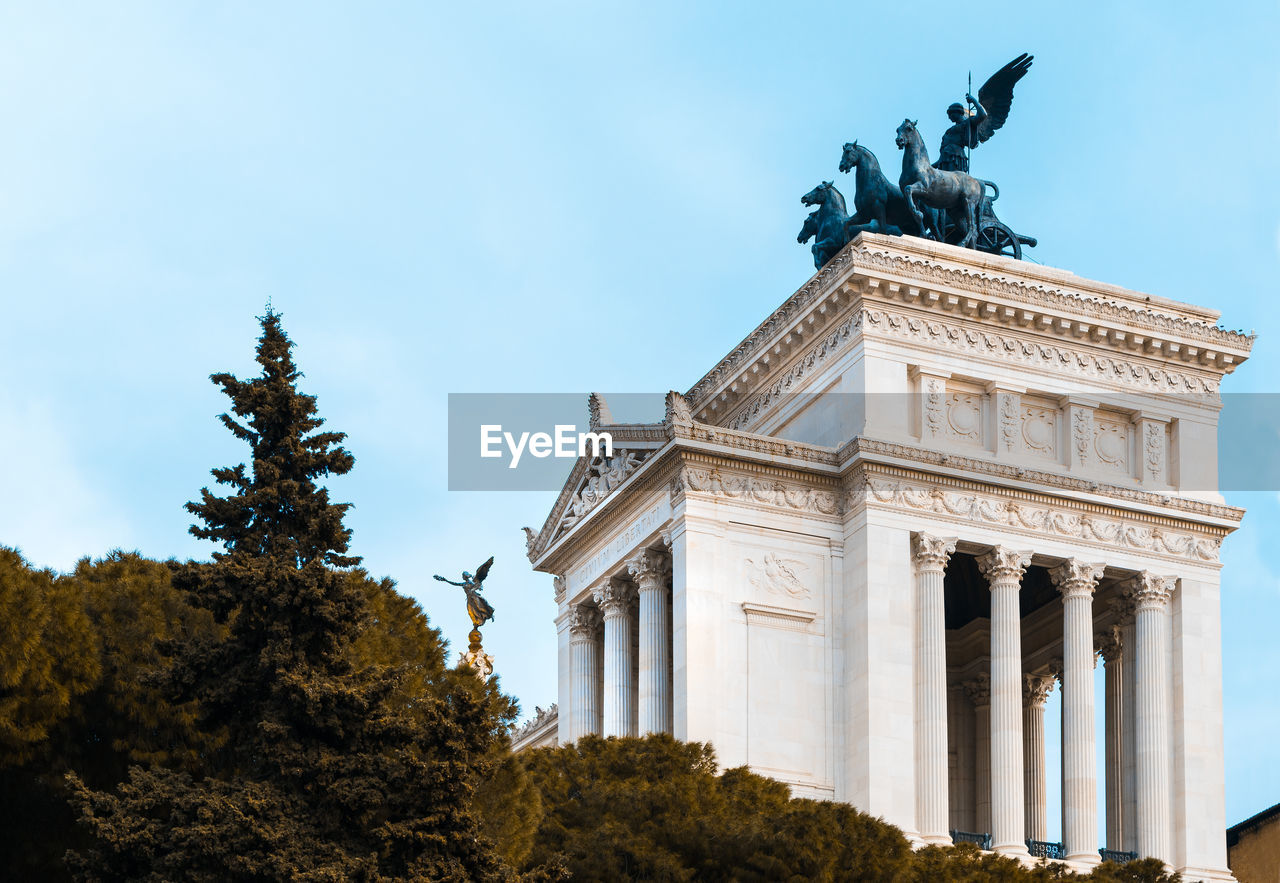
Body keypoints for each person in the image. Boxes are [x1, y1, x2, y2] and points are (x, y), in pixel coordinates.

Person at [936, 93, 986, 173]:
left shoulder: (967, 123)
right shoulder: (948, 131)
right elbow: (941, 158)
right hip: (944, 161)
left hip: (956, 158)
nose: (949, 117)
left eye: (951, 113)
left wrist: (973, 100)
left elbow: (982, 115)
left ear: (959, 112)